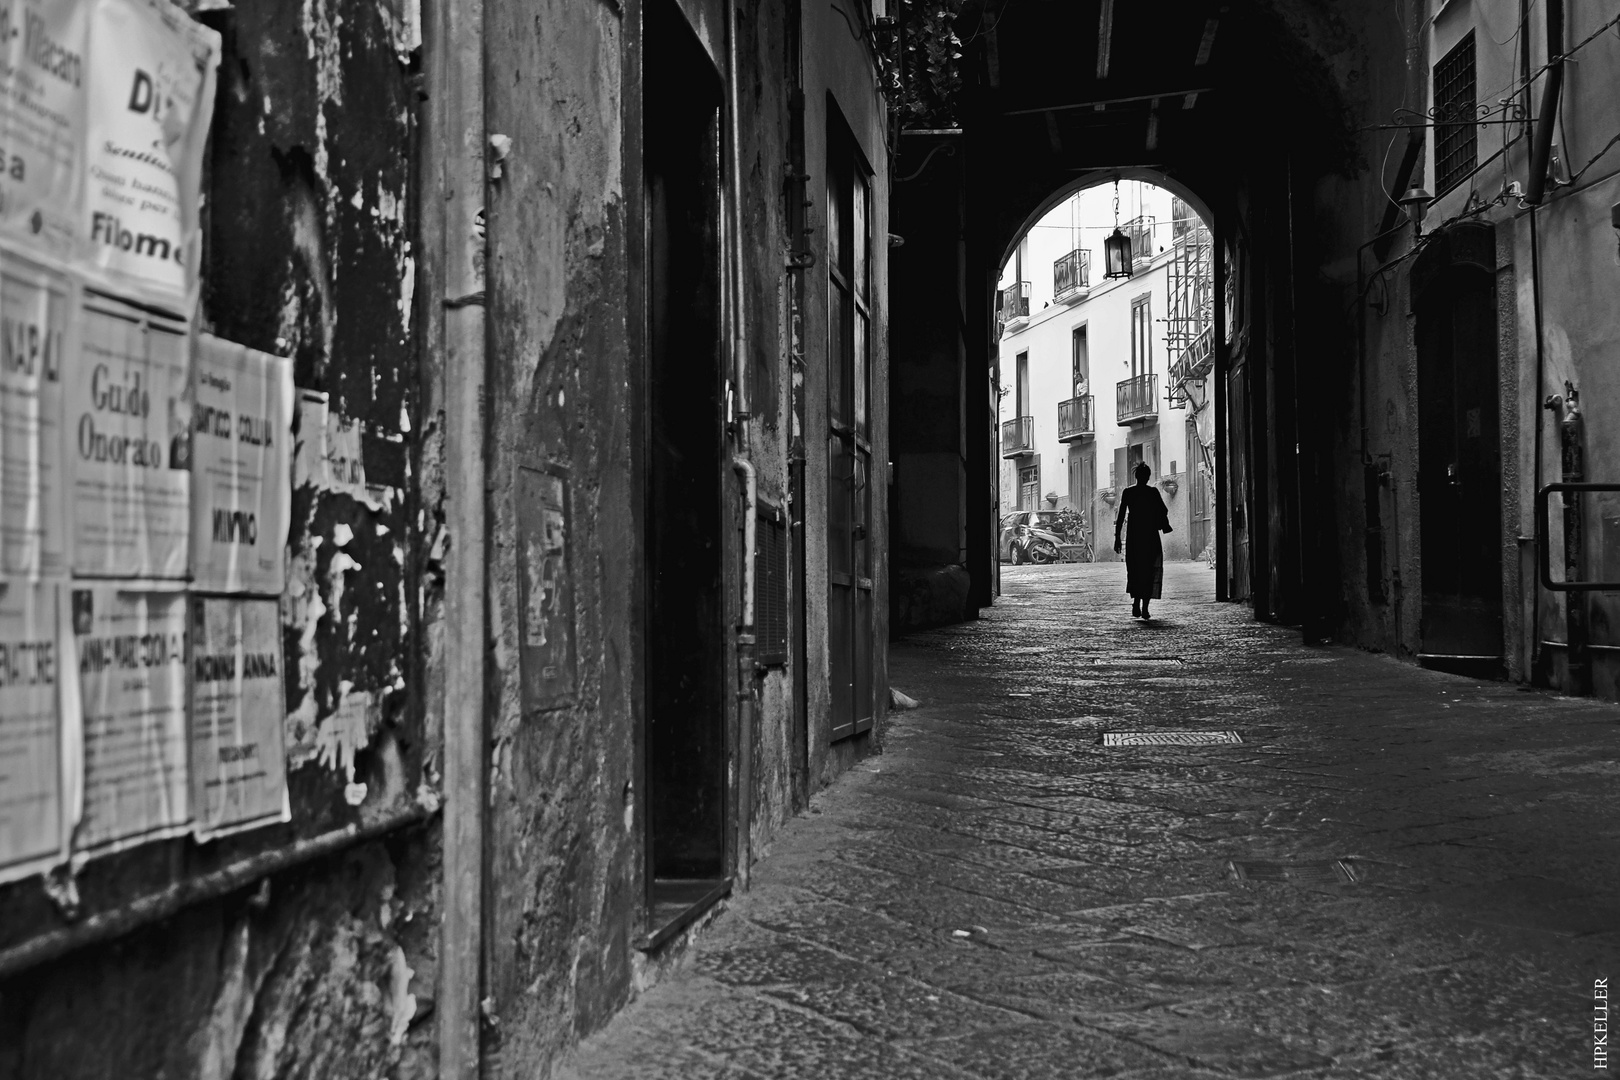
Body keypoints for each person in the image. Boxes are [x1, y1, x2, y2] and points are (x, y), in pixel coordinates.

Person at [1113, 461, 1172, 618]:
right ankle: (1144, 607)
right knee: (1149, 570)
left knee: (1135, 570)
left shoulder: (1128, 492)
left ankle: (1137, 603)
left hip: (1134, 536)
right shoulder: (1152, 493)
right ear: (1147, 477)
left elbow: (1120, 516)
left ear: (1136, 476)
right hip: (1150, 535)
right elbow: (1163, 510)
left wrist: (1117, 537)